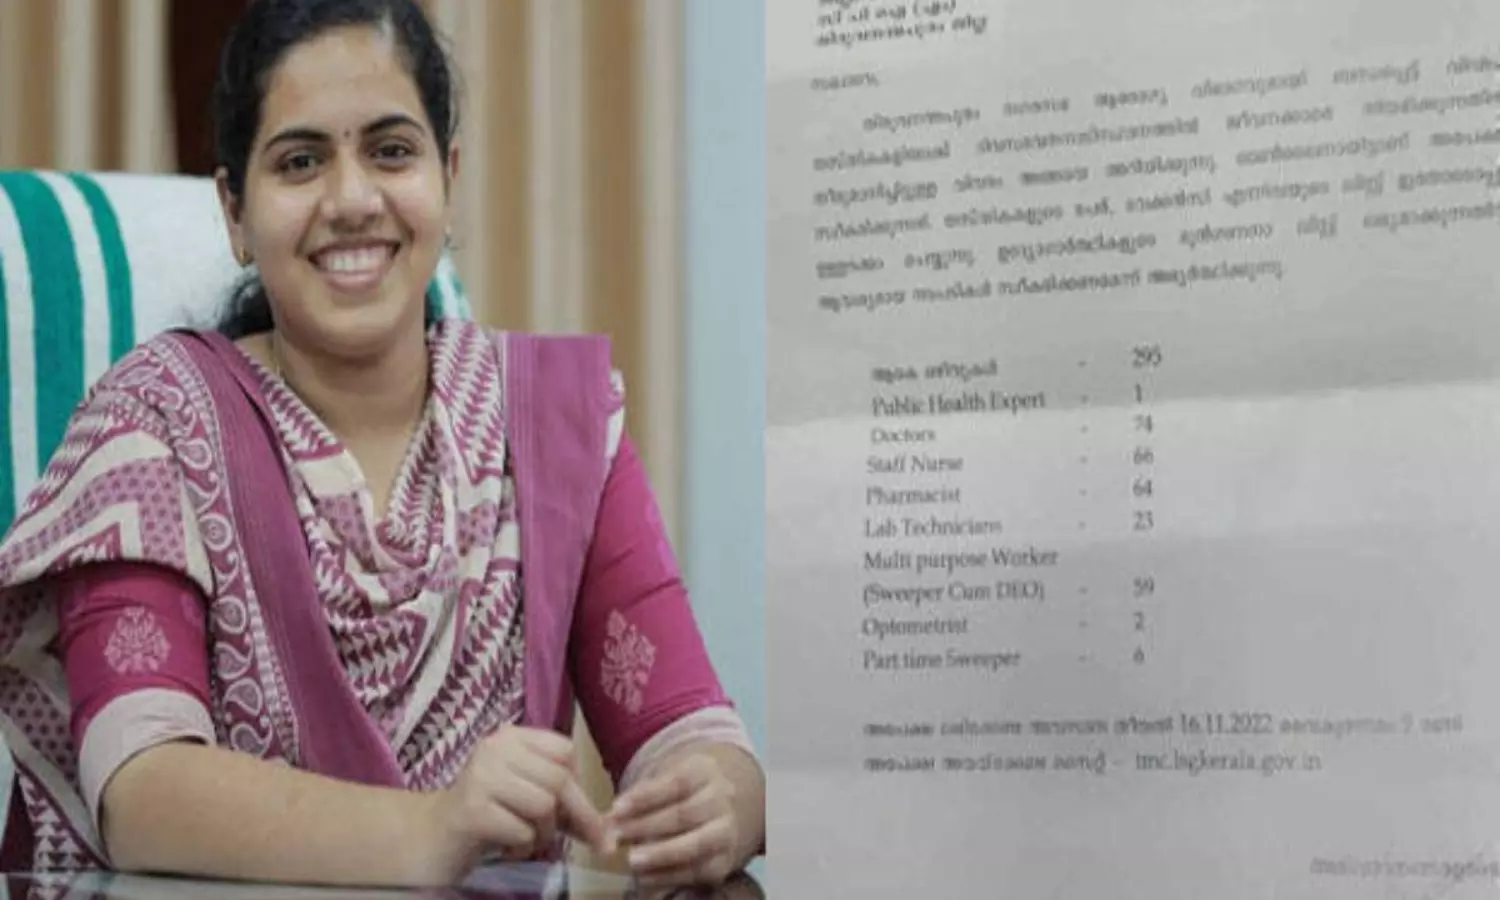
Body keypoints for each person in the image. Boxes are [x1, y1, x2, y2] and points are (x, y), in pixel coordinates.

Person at [0, 0, 764, 889]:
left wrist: (720, 802)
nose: (353, 200)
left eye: (392, 151)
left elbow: (691, 734)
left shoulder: (555, 424)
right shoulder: (154, 425)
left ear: (448, 177)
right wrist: (431, 826)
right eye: (300, 161)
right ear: (235, 212)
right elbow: (141, 790)